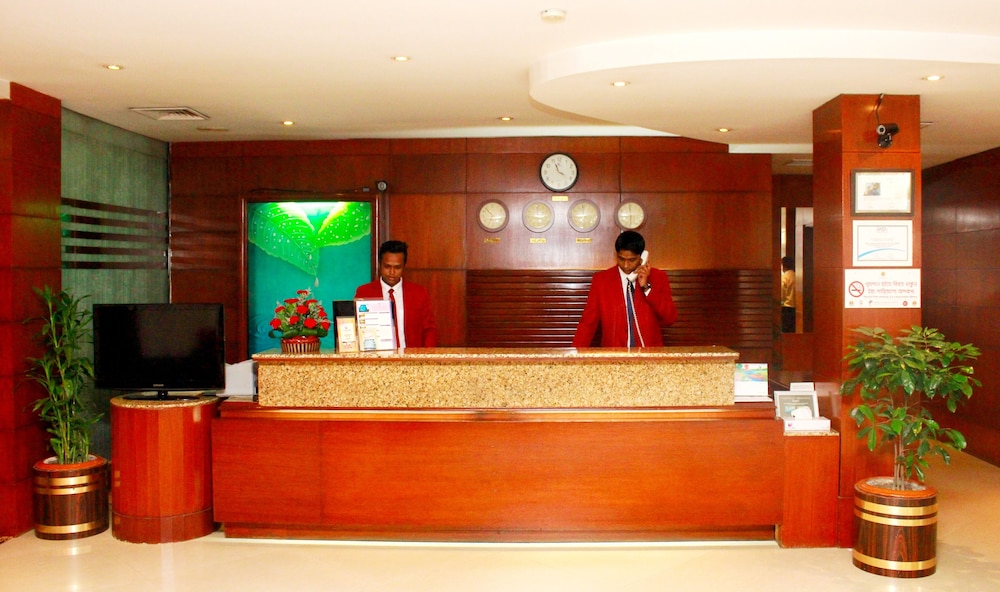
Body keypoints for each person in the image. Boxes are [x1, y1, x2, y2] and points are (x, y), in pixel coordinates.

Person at [572, 231, 678, 348]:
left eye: (632, 260)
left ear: (642, 257)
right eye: (621, 259)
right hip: (614, 354)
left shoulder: (658, 277)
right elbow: (588, 323)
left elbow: (670, 318)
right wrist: (574, 354)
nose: (626, 265)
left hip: (648, 354)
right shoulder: (601, 280)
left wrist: (646, 287)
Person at [354, 240, 438, 348]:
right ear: (379, 264)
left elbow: (429, 330)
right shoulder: (364, 292)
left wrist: (426, 355)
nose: (392, 272)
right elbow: (356, 328)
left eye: (397, 267)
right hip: (376, 356)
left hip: (410, 356)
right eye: (387, 267)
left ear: (404, 266)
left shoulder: (418, 293)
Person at [781, 256, 796, 333]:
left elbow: (781, 293)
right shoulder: (797, 276)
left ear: (783, 265)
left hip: (787, 307)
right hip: (797, 308)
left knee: (786, 331)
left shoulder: (784, 277)